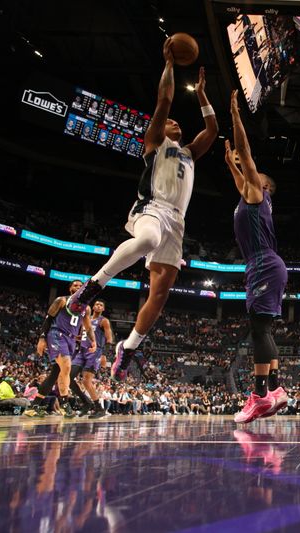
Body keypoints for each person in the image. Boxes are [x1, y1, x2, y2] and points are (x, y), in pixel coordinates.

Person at [66, 40, 218, 382]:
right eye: (172, 122)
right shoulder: (154, 142)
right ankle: (90, 288)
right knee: (147, 238)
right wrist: (169, 65)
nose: (175, 123)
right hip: (152, 206)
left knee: (160, 293)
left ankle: (129, 347)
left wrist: (204, 95)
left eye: (179, 122)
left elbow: (212, 131)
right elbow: (164, 100)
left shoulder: (189, 154)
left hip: (177, 223)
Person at [225, 89, 288, 423]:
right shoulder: (251, 196)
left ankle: (261, 395)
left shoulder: (258, 191)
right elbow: (240, 175)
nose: (250, 173)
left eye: (254, 174)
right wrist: (228, 164)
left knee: (259, 330)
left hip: (264, 263)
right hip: (266, 264)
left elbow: (246, 154)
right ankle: (274, 390)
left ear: (265, 186)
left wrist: (235, 115)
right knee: (263, 330)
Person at [25, 281, 97, 417]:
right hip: (56, 334)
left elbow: (88, 327)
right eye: (75, 285)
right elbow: (48, 318)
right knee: (67, 367)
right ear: (70, 288)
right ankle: (64, 404)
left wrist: (93, 341)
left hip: (71, 339)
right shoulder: (61, 301)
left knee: (55, 374)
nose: (77, 287)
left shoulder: (86, 308)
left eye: (80, 285)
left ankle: (33, 406)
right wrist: (41, 338)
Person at [70, 300, 113, 419]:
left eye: (101, 305)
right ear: (93, 307)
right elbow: (82, 336)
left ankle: (99, 408)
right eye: (97, 304)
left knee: (86, 381)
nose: (98, 306)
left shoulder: (104, 321)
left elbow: (109, 339)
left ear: (103, 309)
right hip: (81, 351)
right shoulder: (85, 321)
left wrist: (104, 355)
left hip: (95, 352)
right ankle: (86, 402)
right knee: (68, 377)